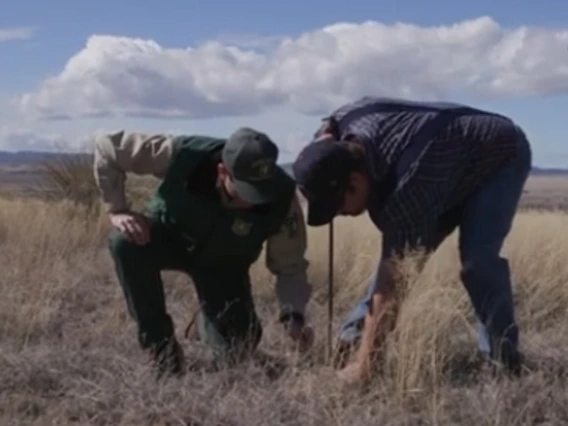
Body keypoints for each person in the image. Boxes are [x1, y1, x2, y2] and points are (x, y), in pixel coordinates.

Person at [292, 96, 532, 385]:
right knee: (401, 262)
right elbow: (334, 120)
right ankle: (349, 342)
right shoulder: (348, 126)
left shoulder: (406, 190)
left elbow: (391, 283)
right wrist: (323, 139)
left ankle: (503, 362)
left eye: (337, 205)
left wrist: (366, 368)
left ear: (355, 181)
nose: (339, 214)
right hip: (445, 160)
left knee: (477, 261)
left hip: (498, 155)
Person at [93, 127, 314, 378]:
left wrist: (293, 314)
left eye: (262, 190)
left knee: (239, 347)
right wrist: (117, 208)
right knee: (125, 242)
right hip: (170, 237)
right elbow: (107, 146)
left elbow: (291, 265)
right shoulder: (185, 154)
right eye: (246, 190)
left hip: (225, 264)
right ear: (222, 171)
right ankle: (161, 349)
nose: (255, 201)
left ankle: (205, 322)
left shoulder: (283, 198)